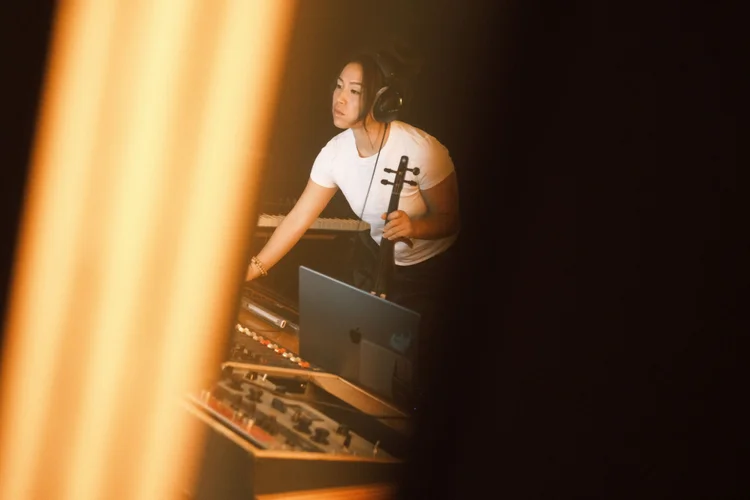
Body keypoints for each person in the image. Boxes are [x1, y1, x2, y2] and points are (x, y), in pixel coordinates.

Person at [245, 46, 460, 401]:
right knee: (362, 363)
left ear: (382, 100)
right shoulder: (334, 153)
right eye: (338, 86)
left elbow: (451, 220)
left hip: (432, 272)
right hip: (379, 262)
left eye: (355, 91)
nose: (340, 98)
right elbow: (298, 218)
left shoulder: (422, 149)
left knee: (412, 376)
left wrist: (415, 227)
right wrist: (253, 268)